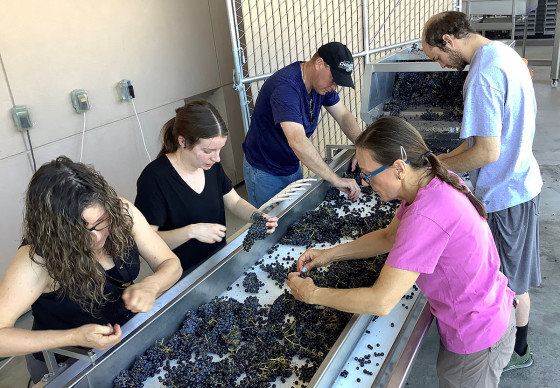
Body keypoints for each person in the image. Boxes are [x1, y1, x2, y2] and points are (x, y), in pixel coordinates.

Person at [286, 117, 516, 388]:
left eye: (368, 174)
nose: (366, 182)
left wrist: (312, 295)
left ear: (398, 168)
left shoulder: (427, 214)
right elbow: (389, 236)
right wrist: (330, 255)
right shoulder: (434, 180)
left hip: (476, 335)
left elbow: (380, 302)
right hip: (490, 308)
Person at [422, 11, 542, 371]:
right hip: (522, 182)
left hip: (506, 195)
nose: (442, 65)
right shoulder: (504, 54)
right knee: (513, 278)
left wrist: (435, 173)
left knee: (507, 284)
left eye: (437, 56)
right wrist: (439, 159)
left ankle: (515, 351)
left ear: (448, 41)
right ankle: (515, 346)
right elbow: (484, 140)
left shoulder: (481, 76)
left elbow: (486, 152)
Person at [0, 156, 182, 384]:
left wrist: (151, 285)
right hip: (69, 361)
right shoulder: (36, 259)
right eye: (78, 231)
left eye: (100, 222)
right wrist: (75, 336)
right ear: (54, 231)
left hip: (125, 340)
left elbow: (171, 264)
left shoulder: (122, 212)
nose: (95, 237)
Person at [135, 100, 278, 274]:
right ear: (183, 141)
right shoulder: (154, 178)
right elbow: (147, 241)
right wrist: (192, 231)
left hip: (219, 261)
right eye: (208, 151)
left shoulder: (210, 166)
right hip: (182, 275)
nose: (216, 158)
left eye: (219, 150)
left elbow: (234, 202)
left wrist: (259, 217)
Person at [242, 41, 362, 208]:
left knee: (292, 218)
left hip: (292, 164)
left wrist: (362, 145)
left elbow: (343, 116)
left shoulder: (321, 86)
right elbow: (297, 140)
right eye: (334, 79)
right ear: (320, 63)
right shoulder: (285, 88)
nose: (334, 87)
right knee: (268, 227)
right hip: (265, 172)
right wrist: (335, 179)